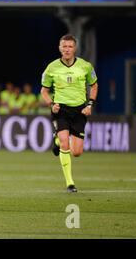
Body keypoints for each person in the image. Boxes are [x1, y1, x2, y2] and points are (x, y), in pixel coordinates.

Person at [41, 34, 98, 193]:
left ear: (75, 48)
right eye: (64, 46)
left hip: (79, 110)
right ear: (59, 48)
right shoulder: (51, 67)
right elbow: (44, 91)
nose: (66, 49)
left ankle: (57, 141)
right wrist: (52, 104)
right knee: (66, 142)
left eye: (70, 47)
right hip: (61, 110)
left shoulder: (85, 66)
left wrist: (90, 104)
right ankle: (70, 183)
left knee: (77, 152)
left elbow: (94, 85)